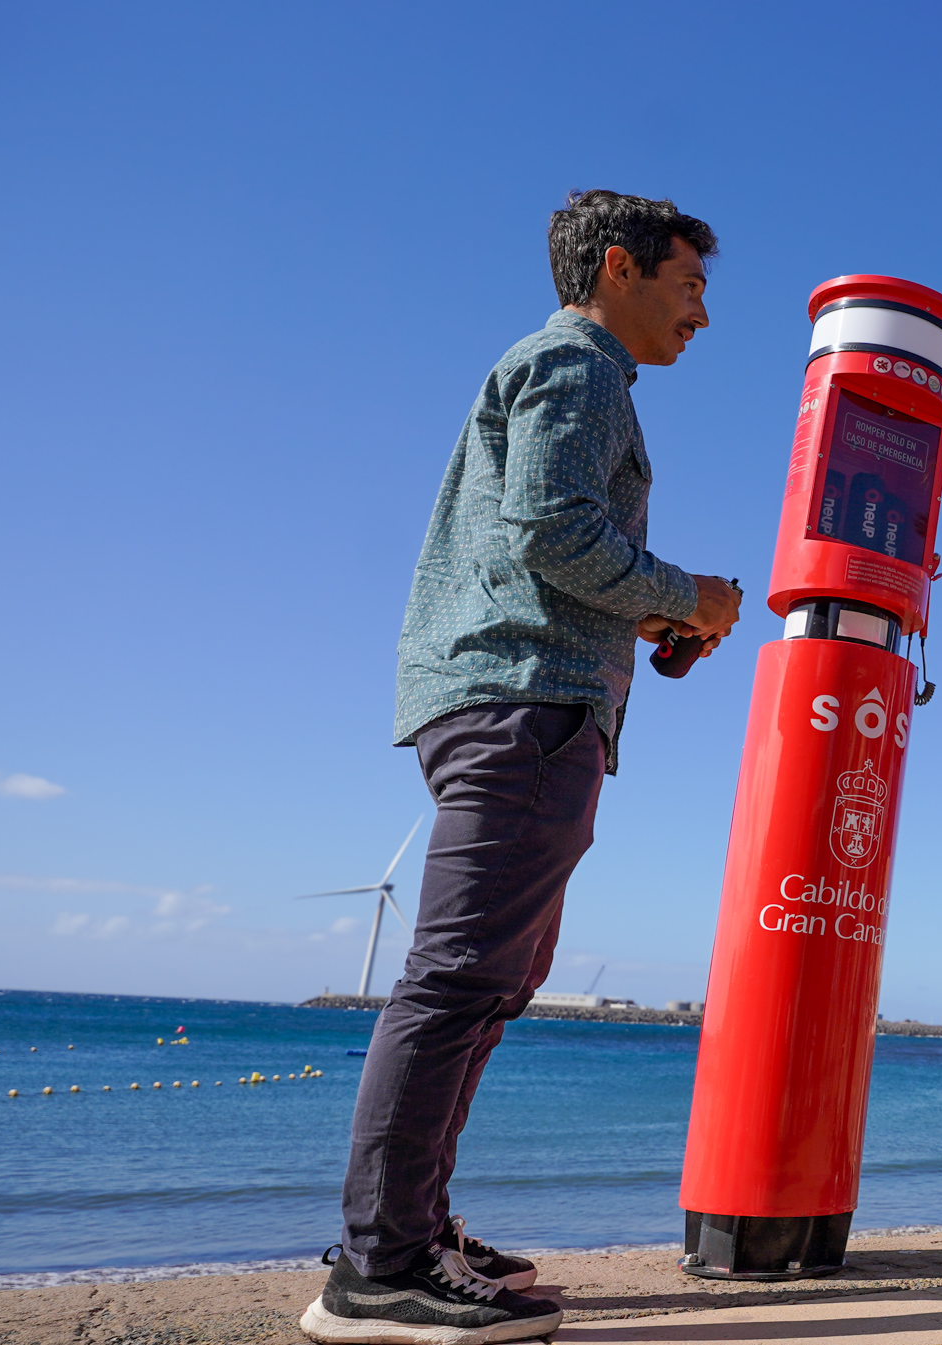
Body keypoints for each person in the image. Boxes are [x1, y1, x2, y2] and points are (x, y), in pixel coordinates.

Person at [301, 191, 743, 1345]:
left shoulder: (570, 369)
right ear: (619, 268)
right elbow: (552, 530)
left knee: (485, 983)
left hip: (518, 697)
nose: (704, 313)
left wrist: (645, 617)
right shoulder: (580, 364)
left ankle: (413, 1231)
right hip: (524, 706)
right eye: (690, 284)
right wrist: (682, 593)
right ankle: (377, 1267)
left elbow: (540, 545)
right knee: (457, 980)